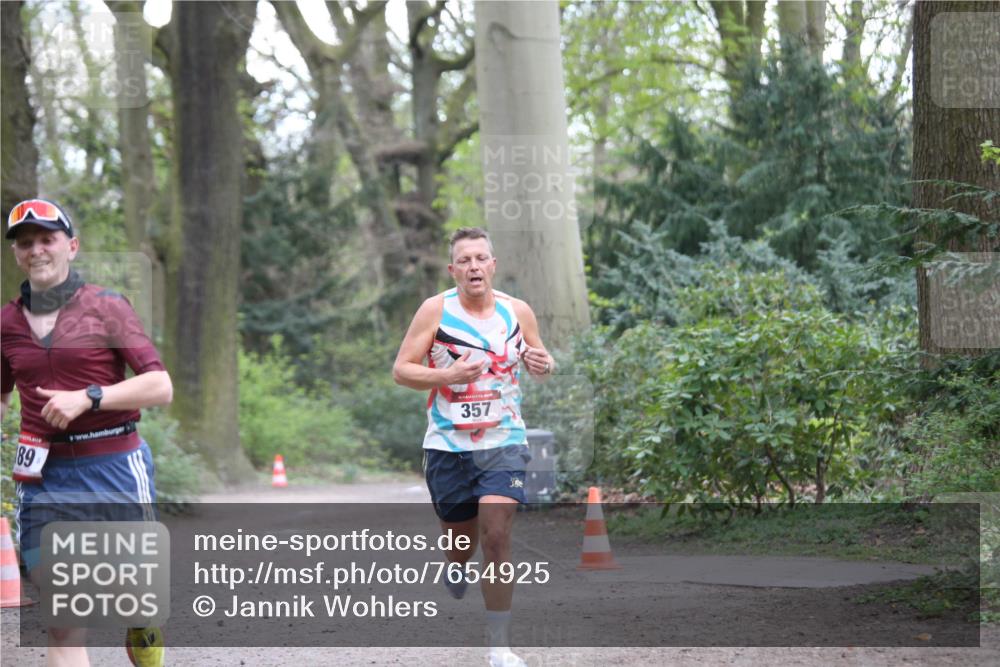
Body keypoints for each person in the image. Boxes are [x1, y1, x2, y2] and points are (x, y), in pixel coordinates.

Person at [0, 199, 173, 667]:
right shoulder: (6, 323)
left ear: (71, 247)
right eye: (25, 242)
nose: (36, 250)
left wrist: (89, 397)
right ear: (17, 253)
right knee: (63, 618)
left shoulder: (107, 306)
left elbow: (160, 385)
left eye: (47, 239)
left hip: (114, 463)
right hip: (43, 474)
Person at [393, 227, 554, 667]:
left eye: (481, 258)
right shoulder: (435, 311)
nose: (474, 266)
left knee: (497, 538)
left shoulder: (517, 311)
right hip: (448, 445)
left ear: (493, 265)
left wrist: (545, 362)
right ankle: (456, 563)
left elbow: (539, 359)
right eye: (464, 260)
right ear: (453, 270)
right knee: (460, 541)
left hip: (504, 441)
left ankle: (498, 647)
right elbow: (402, 370)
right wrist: (449, 376)